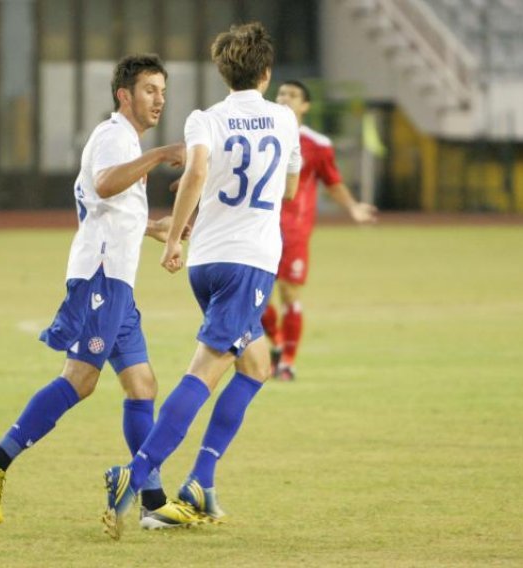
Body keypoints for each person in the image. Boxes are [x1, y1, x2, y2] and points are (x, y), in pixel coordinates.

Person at [101, 22, 301, 540]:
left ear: (222, 71)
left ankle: (200, 485)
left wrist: (174, 240)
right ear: (266, 71)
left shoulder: (203, 119)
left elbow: (194, 175)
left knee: (256, 364)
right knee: (208, 369)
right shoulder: (283, 117)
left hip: (207, 263)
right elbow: (292, 185)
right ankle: (135, 475)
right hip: (251, 262)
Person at [0, 54, 200, 530]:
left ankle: (152, 503)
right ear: (125, 95)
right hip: (100, 276)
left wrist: (157, 227)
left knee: (142, 385)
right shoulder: (113, 135)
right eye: (149, 90)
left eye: (163, 90)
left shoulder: (126, 142)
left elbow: (112, 208)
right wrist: (162, 154)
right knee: (80, 379)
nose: (159, 98)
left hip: (118, 279)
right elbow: (103, 185)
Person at [260, 80, 377, 381]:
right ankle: (275, 344)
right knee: (257, 297)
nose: (285, 98)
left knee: (288, 293)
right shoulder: (260, 133)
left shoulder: (317, 144)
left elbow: (332, 182)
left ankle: (287, 361)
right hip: (259, 227)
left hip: (295, 231)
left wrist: (352, 208)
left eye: (293, 95)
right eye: (282, 93)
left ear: (305, 106)